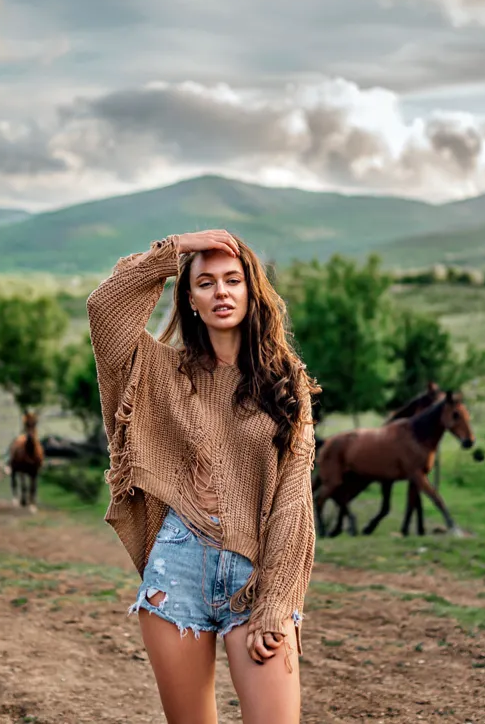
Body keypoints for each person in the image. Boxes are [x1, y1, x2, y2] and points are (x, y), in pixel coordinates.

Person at [87, 229, 319, 723]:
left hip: (256, 574)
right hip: (176, 572)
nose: (221, 293)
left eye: (233, 280)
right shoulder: (158, 371)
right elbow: (105, 307)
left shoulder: (285, 381)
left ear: (251, 291)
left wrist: (277, 599)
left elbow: (293, 499)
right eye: (206, 282)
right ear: (189, 297)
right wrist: (177, 248)